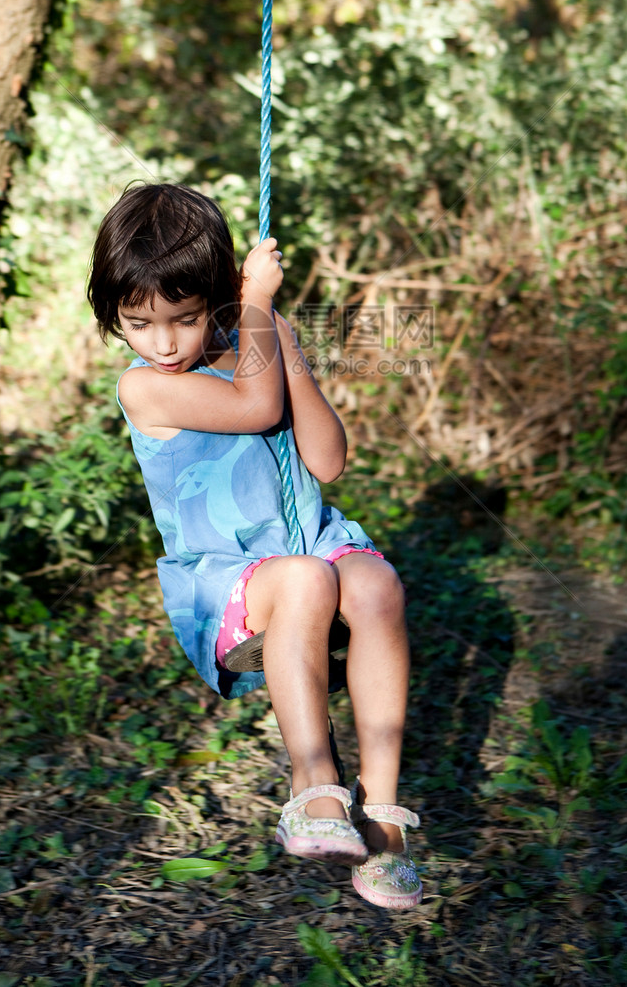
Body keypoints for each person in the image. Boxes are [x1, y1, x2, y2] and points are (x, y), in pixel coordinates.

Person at [87, 181, 421, 909]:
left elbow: (328, 460)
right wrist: (263, 309)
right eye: (139, 322)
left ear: (216, 297)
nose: (164, 342)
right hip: (229, 580)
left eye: (183, 317)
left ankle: (386, 820)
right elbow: (254, 405)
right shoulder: (143, 387)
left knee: (375, 587)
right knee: (304, 581)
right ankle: (313, 786)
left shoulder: (257, 341)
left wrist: (274, 333)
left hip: (310, 544)